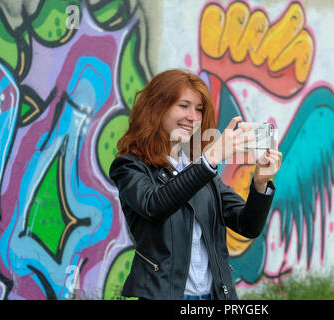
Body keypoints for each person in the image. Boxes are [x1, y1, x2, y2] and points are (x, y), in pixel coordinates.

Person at [109, 69, 282, 300]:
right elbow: (154, 205)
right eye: (183, 106)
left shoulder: (200, 169)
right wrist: (209, 160)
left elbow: (247, 225)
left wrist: (261, 183)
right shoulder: (129, 167)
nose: (193, 116)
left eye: (199, 109)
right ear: (157, 107)